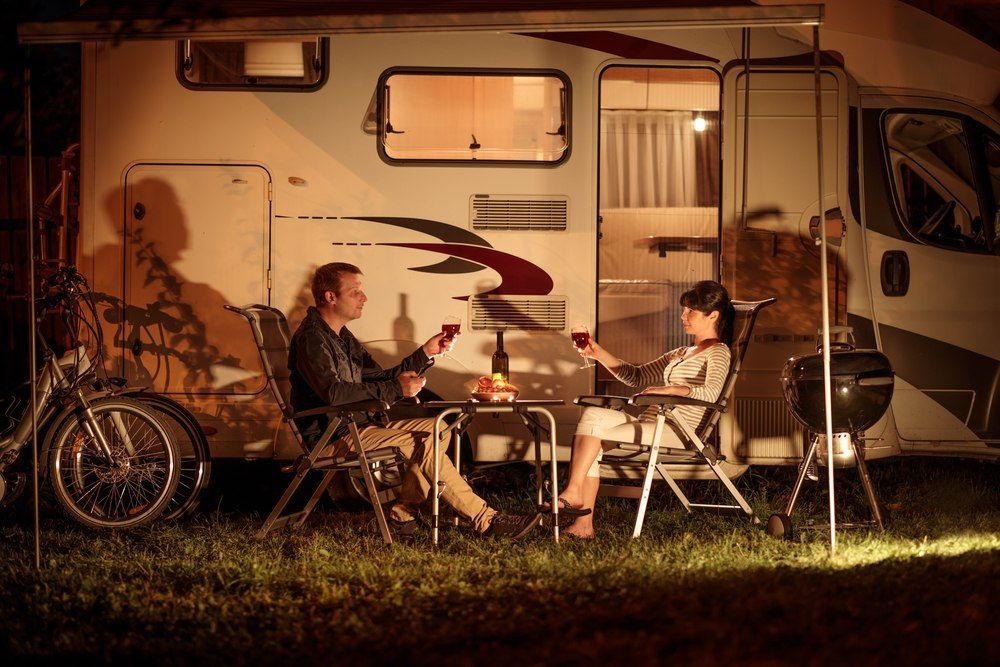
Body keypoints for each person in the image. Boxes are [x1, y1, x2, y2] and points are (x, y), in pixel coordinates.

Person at [288, 262, 540, 539]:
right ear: (330, 297)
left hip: (357, 427)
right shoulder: (313, 338)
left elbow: (379, 377)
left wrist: (425, 353)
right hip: (332, 435)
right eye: (355, 291)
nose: (364, 297)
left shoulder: (342, 337)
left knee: (440, 430)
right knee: (427, 442)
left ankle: (402, 514)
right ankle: (486, 520)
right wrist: (396, 389)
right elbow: (334, 393)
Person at [556, 280, 735, 539]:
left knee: (593, 433)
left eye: (690, 311)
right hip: (652, 423)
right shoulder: (681, 352)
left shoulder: (718, 352)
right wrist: (597, 353)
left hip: (678, 431)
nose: (682, 316)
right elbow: (636, 376)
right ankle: (581, 516)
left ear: (713, 315)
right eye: (683, 310)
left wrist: (670, 390)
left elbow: (711, 394)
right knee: (593, 416)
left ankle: (575, 502)